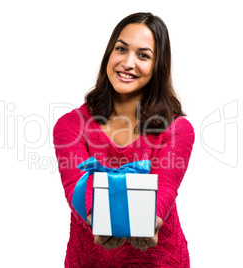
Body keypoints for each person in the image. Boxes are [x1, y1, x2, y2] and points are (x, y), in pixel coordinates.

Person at [53, 12, 195, 267]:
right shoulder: (71, 126)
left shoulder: (177, 129)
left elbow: (166, 187)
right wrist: (96, 218)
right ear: (109, 54)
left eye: (143, 55)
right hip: (89, 260)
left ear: (157, 66)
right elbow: (76, 185)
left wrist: (151, 220)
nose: (128, 63)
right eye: (121, 49)